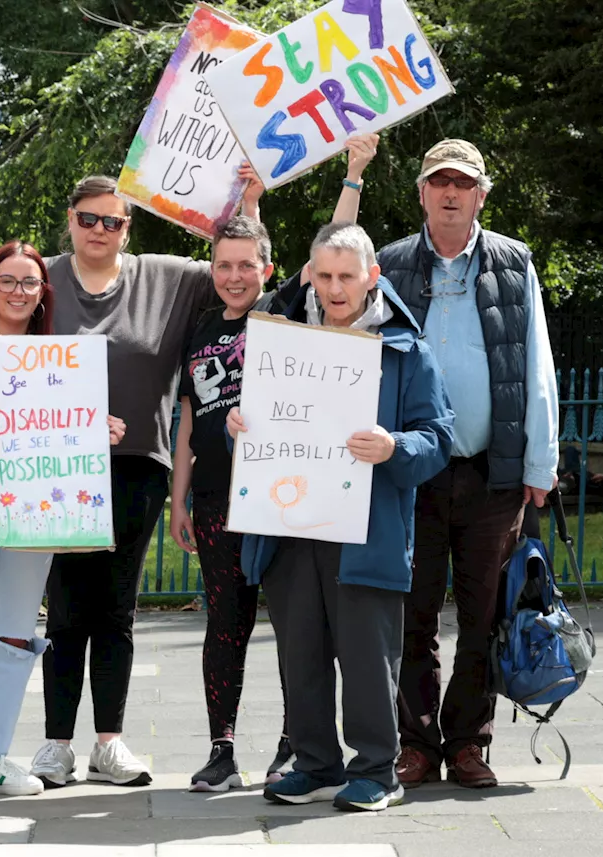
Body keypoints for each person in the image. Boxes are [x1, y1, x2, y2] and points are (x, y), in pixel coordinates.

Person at [0, 166, 262, 789]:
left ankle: (109, 743)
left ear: (127, 226)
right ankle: (56, 744)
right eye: (87, 218)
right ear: (70, 221)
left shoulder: (169, 277)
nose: (98, 229)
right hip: (53, 464)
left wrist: (250, 199)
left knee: (116, 607)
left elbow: (245, 271)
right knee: (64, 605)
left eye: (111, 220)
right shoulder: (45, 279)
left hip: (139, 465)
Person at [172, 138, 378, 792]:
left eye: (246, 265)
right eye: (224, 264)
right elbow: (185, 419)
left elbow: (338, 245)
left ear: (270, 269)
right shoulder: (201, 329)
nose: (234, 275)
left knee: (297, 630)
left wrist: (353, 174)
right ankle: (221, 747)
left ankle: (297, 744)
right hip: (213, 501)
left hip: (283, 496)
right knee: (224, 622)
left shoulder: (283, 310)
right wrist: (178, 497)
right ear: (213, 269)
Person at [229, 223, 453, 812]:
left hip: (367, 532)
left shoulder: (407, 350)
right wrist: (239, 433)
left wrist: (394, 447)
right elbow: (258, 437)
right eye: (323, 276)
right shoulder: (283, 346)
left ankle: (378, 770)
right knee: (299, 654)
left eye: (345, 276)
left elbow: (439, 438)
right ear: (311, 276)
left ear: (371, 278)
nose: (334, 288)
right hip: (290, 528)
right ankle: (316, 764)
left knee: (366, 656)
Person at [378, 139, 559, 790]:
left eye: (463, 182)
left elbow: (535, 366)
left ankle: (469, 744)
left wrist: (541, 460)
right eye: (439, 182)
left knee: (484, 616)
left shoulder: (514, 262)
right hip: (411, 472)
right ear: (422, 193)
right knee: (411, 614)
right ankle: (417, 745)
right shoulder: (389, 264)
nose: (450, 192)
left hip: (493, 473)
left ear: (482, 194)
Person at [0, 241, 128, 795]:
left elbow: (63, 428)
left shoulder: (57, 358)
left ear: (43, 292)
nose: (19, 292)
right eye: (8, 280)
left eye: (30, 283)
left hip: (36, 501)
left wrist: (99, 428)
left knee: (18, 633)